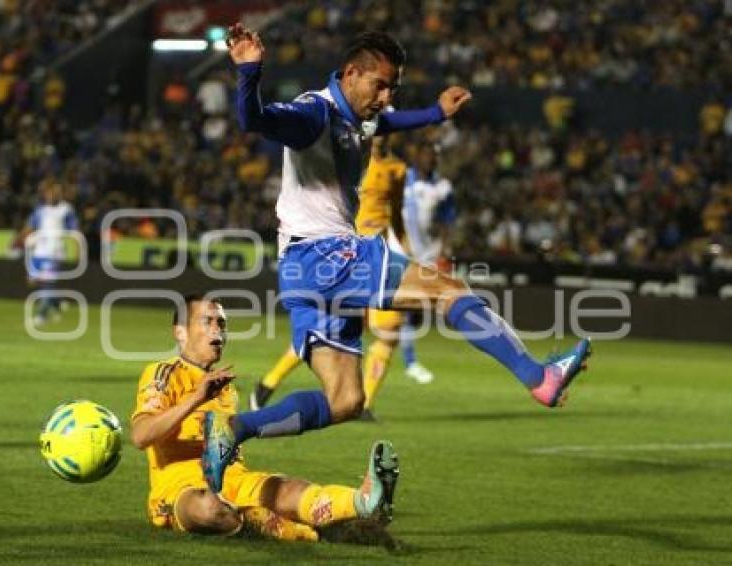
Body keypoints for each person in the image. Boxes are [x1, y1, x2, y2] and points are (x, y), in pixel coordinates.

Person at [203, 24, 591, 494]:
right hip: (328, 255)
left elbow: (382, 123)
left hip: (301, 271)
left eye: (393, 88)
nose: (386, 97)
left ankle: (233, 430)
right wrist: (248, 73)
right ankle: (539, 377)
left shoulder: (358, 115)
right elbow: (256, 121)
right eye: (380, 85)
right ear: (350, 73)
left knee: (346, 400)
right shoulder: (313, 113)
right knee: (449, 292)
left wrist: (435, 114)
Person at [131, 295, 400, 540]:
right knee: (208, 509)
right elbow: (141, 436)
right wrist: (196, 398)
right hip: (181, 490)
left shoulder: (224, 385)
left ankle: (363, 501)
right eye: (207, 321)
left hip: (235, 479)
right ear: (180, 332)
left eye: (222, 323)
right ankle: (294, 530)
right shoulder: (164, 373)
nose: (218, 329)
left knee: (289, 491)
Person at [249, 135, 437, 419]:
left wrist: (406, 249)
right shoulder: (348, 158)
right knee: (326, 331)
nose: (381, 132)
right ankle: (268, 382)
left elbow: (395, 213)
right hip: (342, 257)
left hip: (375, 258)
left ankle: (366, 405)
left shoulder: (396, 169)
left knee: (387, 334)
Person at [20, 180, 78, 326]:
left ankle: (42, 316)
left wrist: (77, 249)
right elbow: (29, 227)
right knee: (34, 282)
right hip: (39, 252)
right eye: (49, 192)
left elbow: (74, 231)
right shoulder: (40, 210)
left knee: (47, 283)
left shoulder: (66, 210)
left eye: (55, 192)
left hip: (55, 253)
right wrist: (21, 239)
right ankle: (57, 304)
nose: (52, 195)